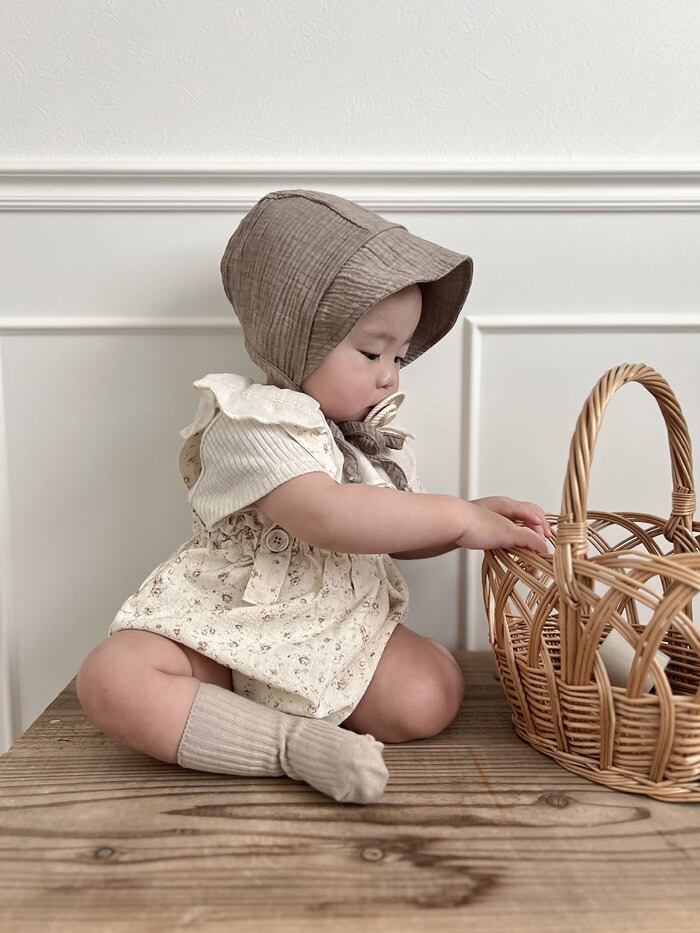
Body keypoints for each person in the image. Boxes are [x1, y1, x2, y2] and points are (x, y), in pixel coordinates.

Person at [76, 189, 552, 805]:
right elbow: (325, 514)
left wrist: (471, 514)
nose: (390, 374)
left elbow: (394, 534)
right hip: (227, 628)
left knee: (432, 694)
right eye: (372, 352)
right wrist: (457, 519)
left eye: (399, 356)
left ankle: (287, 713)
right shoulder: (252, 423)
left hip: (336, 631)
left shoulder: (369, 443)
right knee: (113, 679)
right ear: (294, 338)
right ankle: (289, 745)